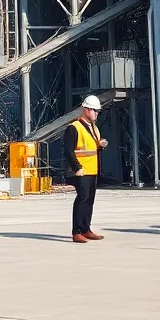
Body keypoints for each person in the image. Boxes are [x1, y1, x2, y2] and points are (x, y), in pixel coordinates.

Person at [63, 94, 107, 243]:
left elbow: (91, 148)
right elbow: (68, 151)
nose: (96, 114)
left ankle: (86, 229)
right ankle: (76, 232)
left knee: (89, 200)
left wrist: (100, 145)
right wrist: (77, 168)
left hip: (92, 170)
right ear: (86, 109)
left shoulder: (94, 128)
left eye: (98, 111)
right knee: (82, 199)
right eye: (95, 111)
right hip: (81, 171)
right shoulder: (74, 127)